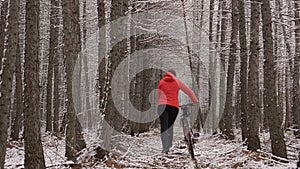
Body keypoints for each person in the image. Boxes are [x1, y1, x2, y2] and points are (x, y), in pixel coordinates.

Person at [157, 69, 198, 153]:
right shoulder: (177, 82)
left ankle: (165, 147)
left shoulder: (161, 82)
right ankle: (169, 145)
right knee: (170, 126)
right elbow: (189, 92)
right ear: (174, 75)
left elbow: (159, 94)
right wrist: (195, 102)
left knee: (164, 126)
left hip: (162, 106)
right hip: (173, 107)